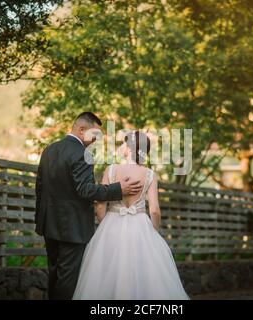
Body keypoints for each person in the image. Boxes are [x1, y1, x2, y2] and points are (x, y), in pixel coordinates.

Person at [35, 112, 143, 300]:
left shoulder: (49, 150)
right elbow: (85, 190)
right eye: (94, 135)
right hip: (73, 227)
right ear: (81, 129)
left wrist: (42, 218)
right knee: (68, 279)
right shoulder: (83, 154)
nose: (95, 141)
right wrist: (119, 188)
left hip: (48, 223)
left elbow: (40, 187)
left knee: (54, 274)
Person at [73, 131, 189, 300]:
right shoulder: (149, 174)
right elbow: (155, 209)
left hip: (111, 224)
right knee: (145, 277)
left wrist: (106, 223)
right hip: (140, 226)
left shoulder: (111, 170)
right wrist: (153, 232)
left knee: (104, 277)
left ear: (128, 148)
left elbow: (100, 206)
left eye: (123, 144)